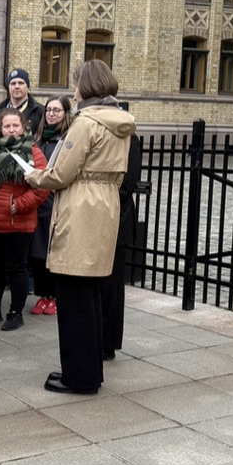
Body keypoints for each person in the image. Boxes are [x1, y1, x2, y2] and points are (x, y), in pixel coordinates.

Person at [26, 60, 136, 395]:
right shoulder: (119, 123)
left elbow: (61, 173)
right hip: (104, 205)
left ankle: (79, 376)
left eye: (75, 84)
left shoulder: (87, 123)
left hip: (81, 207)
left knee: (73, 298)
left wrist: (34, 176)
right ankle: (89, 371)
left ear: (85, 87)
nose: (73, 91)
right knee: (89, 297)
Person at [0, 110, 48, 331]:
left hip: (17, 223)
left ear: (24, 128)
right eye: (7, 126)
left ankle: (15, 312)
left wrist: (19, 205)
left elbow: (42, 186)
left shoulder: (33, 152)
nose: (12, 130)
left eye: (16, 126)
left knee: (16, 268)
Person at [29, 96, 73, 316]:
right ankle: (43, 295)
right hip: (37, 203)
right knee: (37, 254)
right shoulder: (37, 140)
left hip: (54, 203)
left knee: (51, 253)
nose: (51, 114)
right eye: (48, 110)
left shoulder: (66, 139)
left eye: (57, 110)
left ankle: (55, 296)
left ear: (65, 113)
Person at [102, 131, 142, 360]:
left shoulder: (129, 138)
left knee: (113, 285)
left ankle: (108, 342)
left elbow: (128, 184)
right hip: (96, 218)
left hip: (118, 218)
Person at [0, 68, 44, 137]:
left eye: (21, 83)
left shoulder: (40, 112)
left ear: (27, 86)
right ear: (9, 87)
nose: (17, 86)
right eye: (13, 83)